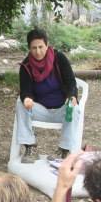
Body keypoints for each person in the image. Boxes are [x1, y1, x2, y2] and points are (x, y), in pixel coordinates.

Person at [15, 27, 81, 160]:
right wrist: (27, 98)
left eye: (41, 46)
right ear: (29, 48)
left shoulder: (59, 58)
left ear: (47, 45)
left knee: (73, 108)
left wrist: (71, 96)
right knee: (20, 104)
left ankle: (64, 150)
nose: (38, 51)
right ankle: (30, 147)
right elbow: (25, 90)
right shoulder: (26, 65)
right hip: (41, 110)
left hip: (61, 109)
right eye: (34, 48)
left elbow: (70, 82)